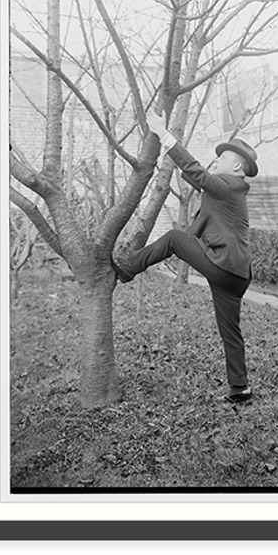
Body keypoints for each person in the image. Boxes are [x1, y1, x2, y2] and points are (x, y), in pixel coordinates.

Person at [111, 111, 259, 403]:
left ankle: (128, 269)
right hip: (237, 276)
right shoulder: (228, 192)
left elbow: (196, 172)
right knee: (230, 332)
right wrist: (180, 253)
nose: (217, 161)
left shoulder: (229, 186)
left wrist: (163, 134)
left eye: (223, 158)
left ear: (237, 165)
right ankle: (240, 388)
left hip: (224, 266)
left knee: (174, 238)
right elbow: (197, 184)